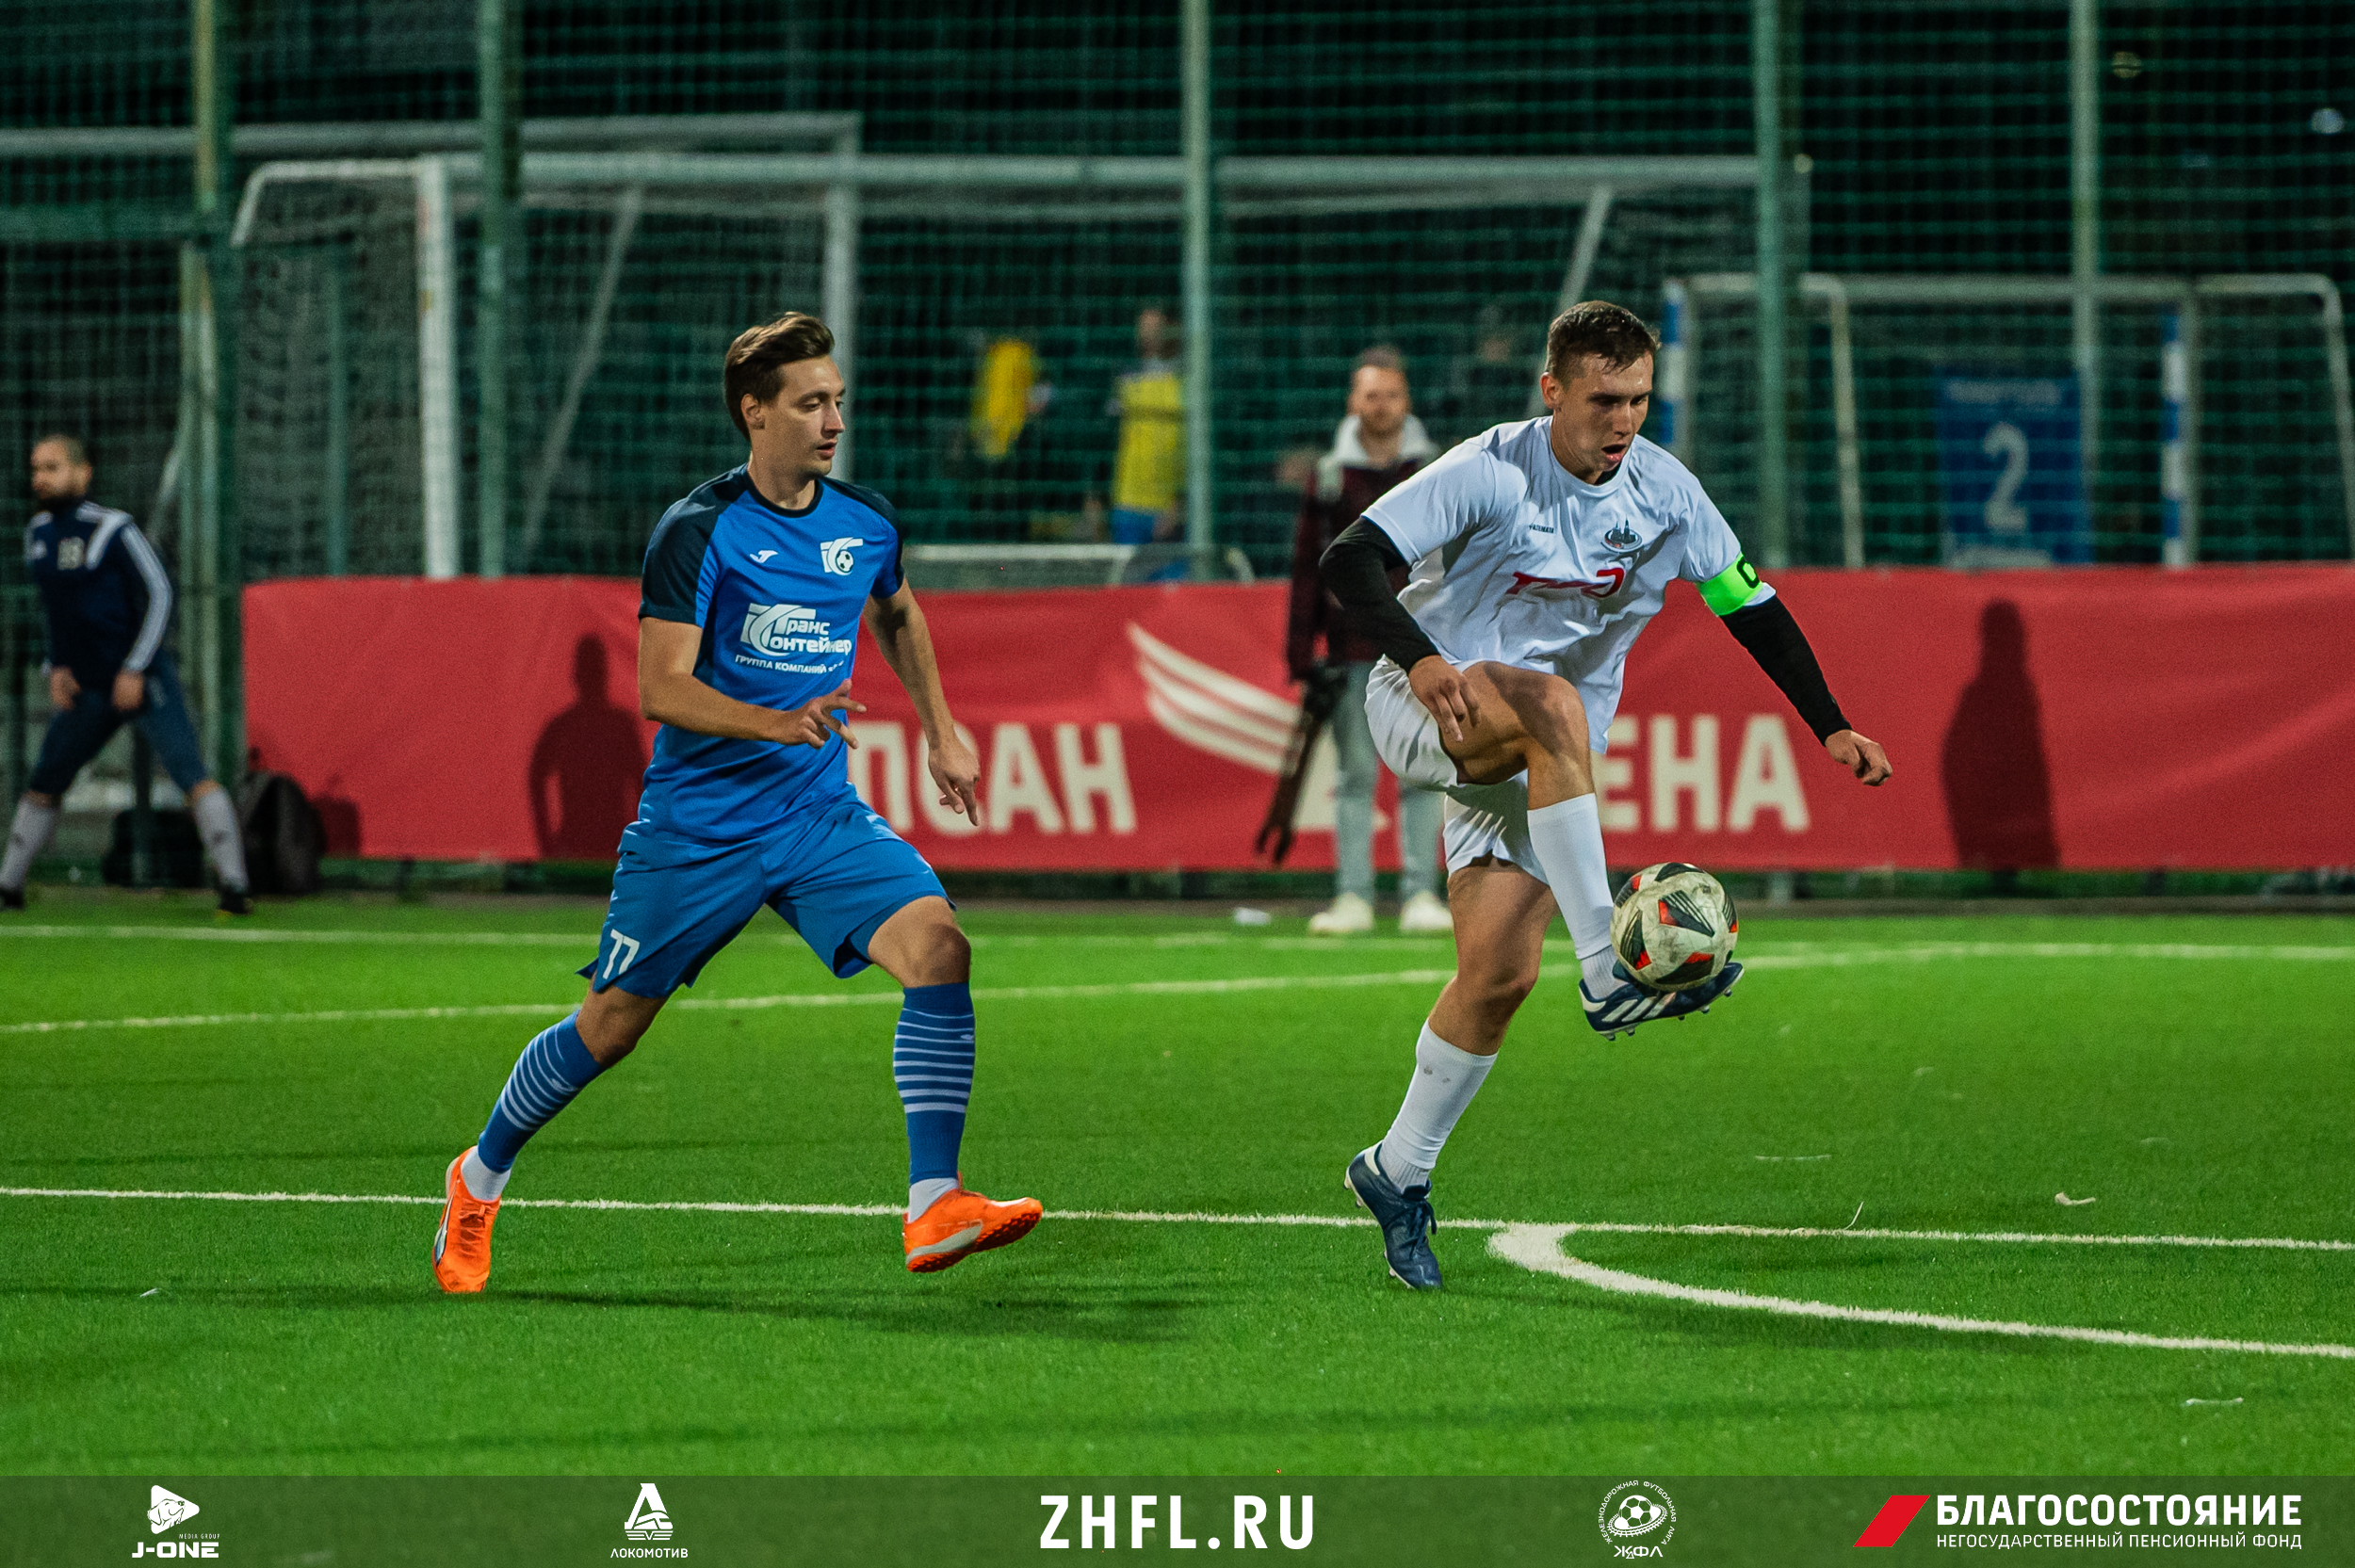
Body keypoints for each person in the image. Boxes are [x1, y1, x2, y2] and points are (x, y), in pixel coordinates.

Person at [430, 313, 1041, 1294]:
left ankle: (935, 1203)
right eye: (811, 404)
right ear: (755, 414)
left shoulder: (865, 522)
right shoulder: (697, 530)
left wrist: (941, 727)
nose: (834, 421)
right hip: (700, 827)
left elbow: (895, 608)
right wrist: (776, 721)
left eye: (837, 400)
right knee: (609, 1027)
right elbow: (660, 687)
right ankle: (480, 1173)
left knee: (939, 947)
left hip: (816, 815)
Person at [1319, 301, 1893, 1289]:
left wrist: (1829, 723)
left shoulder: (1667, 493)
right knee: (1554, 703)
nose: (1622, 420)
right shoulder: (1491, 468)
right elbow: (1348, 558)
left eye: (1637, 399)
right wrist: (1417, 659)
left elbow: (1749, 605)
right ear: (1553, 391)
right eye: (1601, 400)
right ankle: (1604, 967)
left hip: (1543, 761)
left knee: (1496, 978)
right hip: (1430, 702)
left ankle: (1395, 1170)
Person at [4, 434, 252, 914]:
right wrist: (56, 665)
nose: (41, 479)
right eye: (36, 469)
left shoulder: (112, 528)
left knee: (190, 772)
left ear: (83, 473)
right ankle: (8, 886)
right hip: (88, 685)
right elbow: (55, 610)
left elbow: (160, 593)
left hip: (141, 678)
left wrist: (135, 666)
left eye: (52, 468)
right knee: (46, 779)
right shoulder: (38, 533)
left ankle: (235, 885)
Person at [1285, 348, 1448, 936]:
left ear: (1407, 401)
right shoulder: (1331, 477)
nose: (1380, 406)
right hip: (1352, 650)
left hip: (1421, 650)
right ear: (1354, 402)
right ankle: (1353, 895)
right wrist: (1300, 651)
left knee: (1421, 773)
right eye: (1370, 395)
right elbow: (1308, 567)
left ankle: (1421, 894)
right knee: (1356, 777)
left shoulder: (1437, 471)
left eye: (1390, 395)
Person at [1104, 304, 1184, 549]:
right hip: (1127, 504)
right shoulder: (1125, 380)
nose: (1147, 334)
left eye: (1155, 327)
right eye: (1143, 327)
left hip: (1167, 505)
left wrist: (1180, 503)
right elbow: (1107, 440)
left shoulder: (1187, 382)